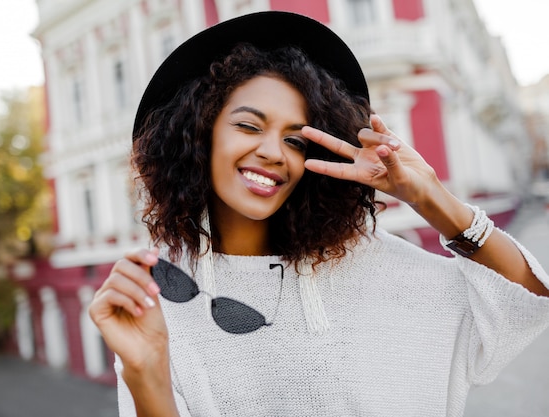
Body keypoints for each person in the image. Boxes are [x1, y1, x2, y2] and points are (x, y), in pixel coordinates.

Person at [88, 11, 549, 417]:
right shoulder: (160, 293)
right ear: (199, 135)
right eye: (249, 126)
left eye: (295, 139)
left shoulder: (373, 264)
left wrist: (430, 197)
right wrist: (144, 371)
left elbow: (524, 301)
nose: (273, 152)